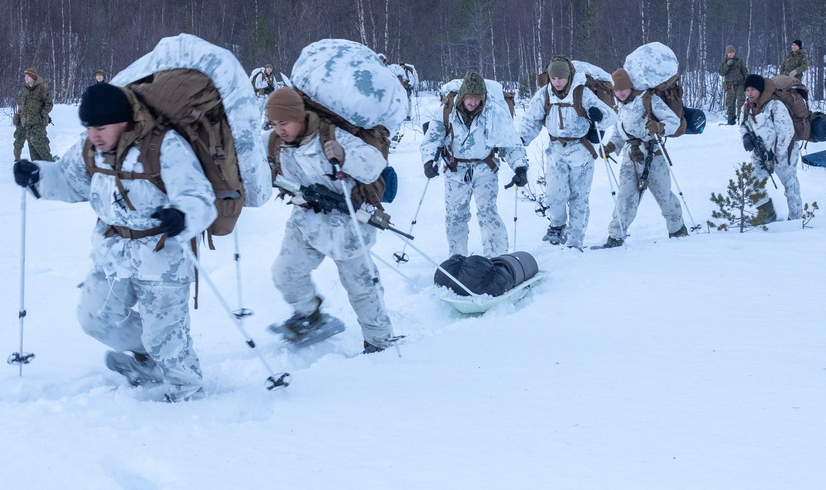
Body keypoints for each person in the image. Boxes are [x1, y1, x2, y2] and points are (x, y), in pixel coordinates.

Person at [11, 82, 216, 401]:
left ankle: (186, 393)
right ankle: (150, 358)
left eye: (101, 127)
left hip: (161, 253)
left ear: (124, 121)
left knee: (165, 334)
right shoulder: (89, 148)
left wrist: (183, 214)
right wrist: (36, 175)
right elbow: (68, 181)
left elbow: (198, 196)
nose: (94, 134)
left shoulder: (164, 146)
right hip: (113, 250)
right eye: (89, 126)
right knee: (95, 318)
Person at [264, 87, 399, 353]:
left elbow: (374, 165)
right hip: (307, 220)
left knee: (361, 287)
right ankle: (311, 317)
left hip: (348, 223)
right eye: (274, 123)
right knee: (285, 274)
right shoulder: (275, 143)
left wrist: (344, 156)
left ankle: (379, 341)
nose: (279, 129)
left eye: (285, 122)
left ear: (300, 117)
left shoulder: (331, 135)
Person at [420, 71, 528, 258]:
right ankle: (457, 257)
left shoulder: (494, 112)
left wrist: (520, 167)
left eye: (477, 98)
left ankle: (496, 258)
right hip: (455, 170)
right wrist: (429, 161)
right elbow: (432, 138)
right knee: (455, 216)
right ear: (462, 96)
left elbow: (509, 143)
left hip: (485, 169)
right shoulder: (447, 110)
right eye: (469, 98)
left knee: (488, 214)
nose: (473, 102)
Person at [517, 55, 617, 249]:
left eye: (561, 78)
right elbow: (531, 121)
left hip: (581, 150)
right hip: (556, 151)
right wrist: (521, 140)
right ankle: (557, 227)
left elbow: (610, 117)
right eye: (554, 78)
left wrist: (598, 115)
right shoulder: (545, 94)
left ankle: (576, 237)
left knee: (578, 197)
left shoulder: (582, 93)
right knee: (554, 194)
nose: (557, 82)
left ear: (569, 76)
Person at [595, 67, 687, 248]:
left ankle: (678, 230)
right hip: (631, 157)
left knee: (664, 196)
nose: (620, 93)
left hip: (654, 155)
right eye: (617, 90)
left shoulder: (648, 100)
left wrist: (659, 127)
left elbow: (673, 121)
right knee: (625, 197)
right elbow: (619, 131)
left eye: (623, 89)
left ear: (630, 87)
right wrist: (611, 146)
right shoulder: (620, 106)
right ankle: (615, 237)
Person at [740, 73, 803, 222]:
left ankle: (796, 219)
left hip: (783, 154)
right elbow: (742, 125)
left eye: (753, 90)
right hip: (760, 153)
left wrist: (775, 155)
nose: (749, 93)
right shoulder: (747, 107)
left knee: (790, 187)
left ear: (761, 90)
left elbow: (786, 133)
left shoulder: (775, 106)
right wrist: (745, 137)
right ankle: (767, 215)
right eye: (747, 90)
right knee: (753, 185)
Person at [13, 68, 53, 161]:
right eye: (25, 76)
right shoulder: (24, 91)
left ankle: (49, 163)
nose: (25, 78)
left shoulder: (42, 89)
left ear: (33, 77)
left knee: (39, 142)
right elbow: (21, 105)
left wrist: (43, 114)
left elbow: (49, 103)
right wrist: (18, 115)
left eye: (28, 76)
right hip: (25, 123)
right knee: (31, 145)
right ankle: (37, 165)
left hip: (38, 122)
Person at [717, 45, 749, 125]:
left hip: (739, 84)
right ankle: (731, 119)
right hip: (729, 86)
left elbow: (745, 72)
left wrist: (747, 83)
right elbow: (721, 72)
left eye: (732, 52)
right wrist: (727, 65)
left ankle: (740, 118)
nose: (731, 54)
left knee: (740, 102)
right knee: (730, 103)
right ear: (727, 54)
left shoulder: (739, 61)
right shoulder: (724, 62)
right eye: (729, 53)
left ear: (735, 53)